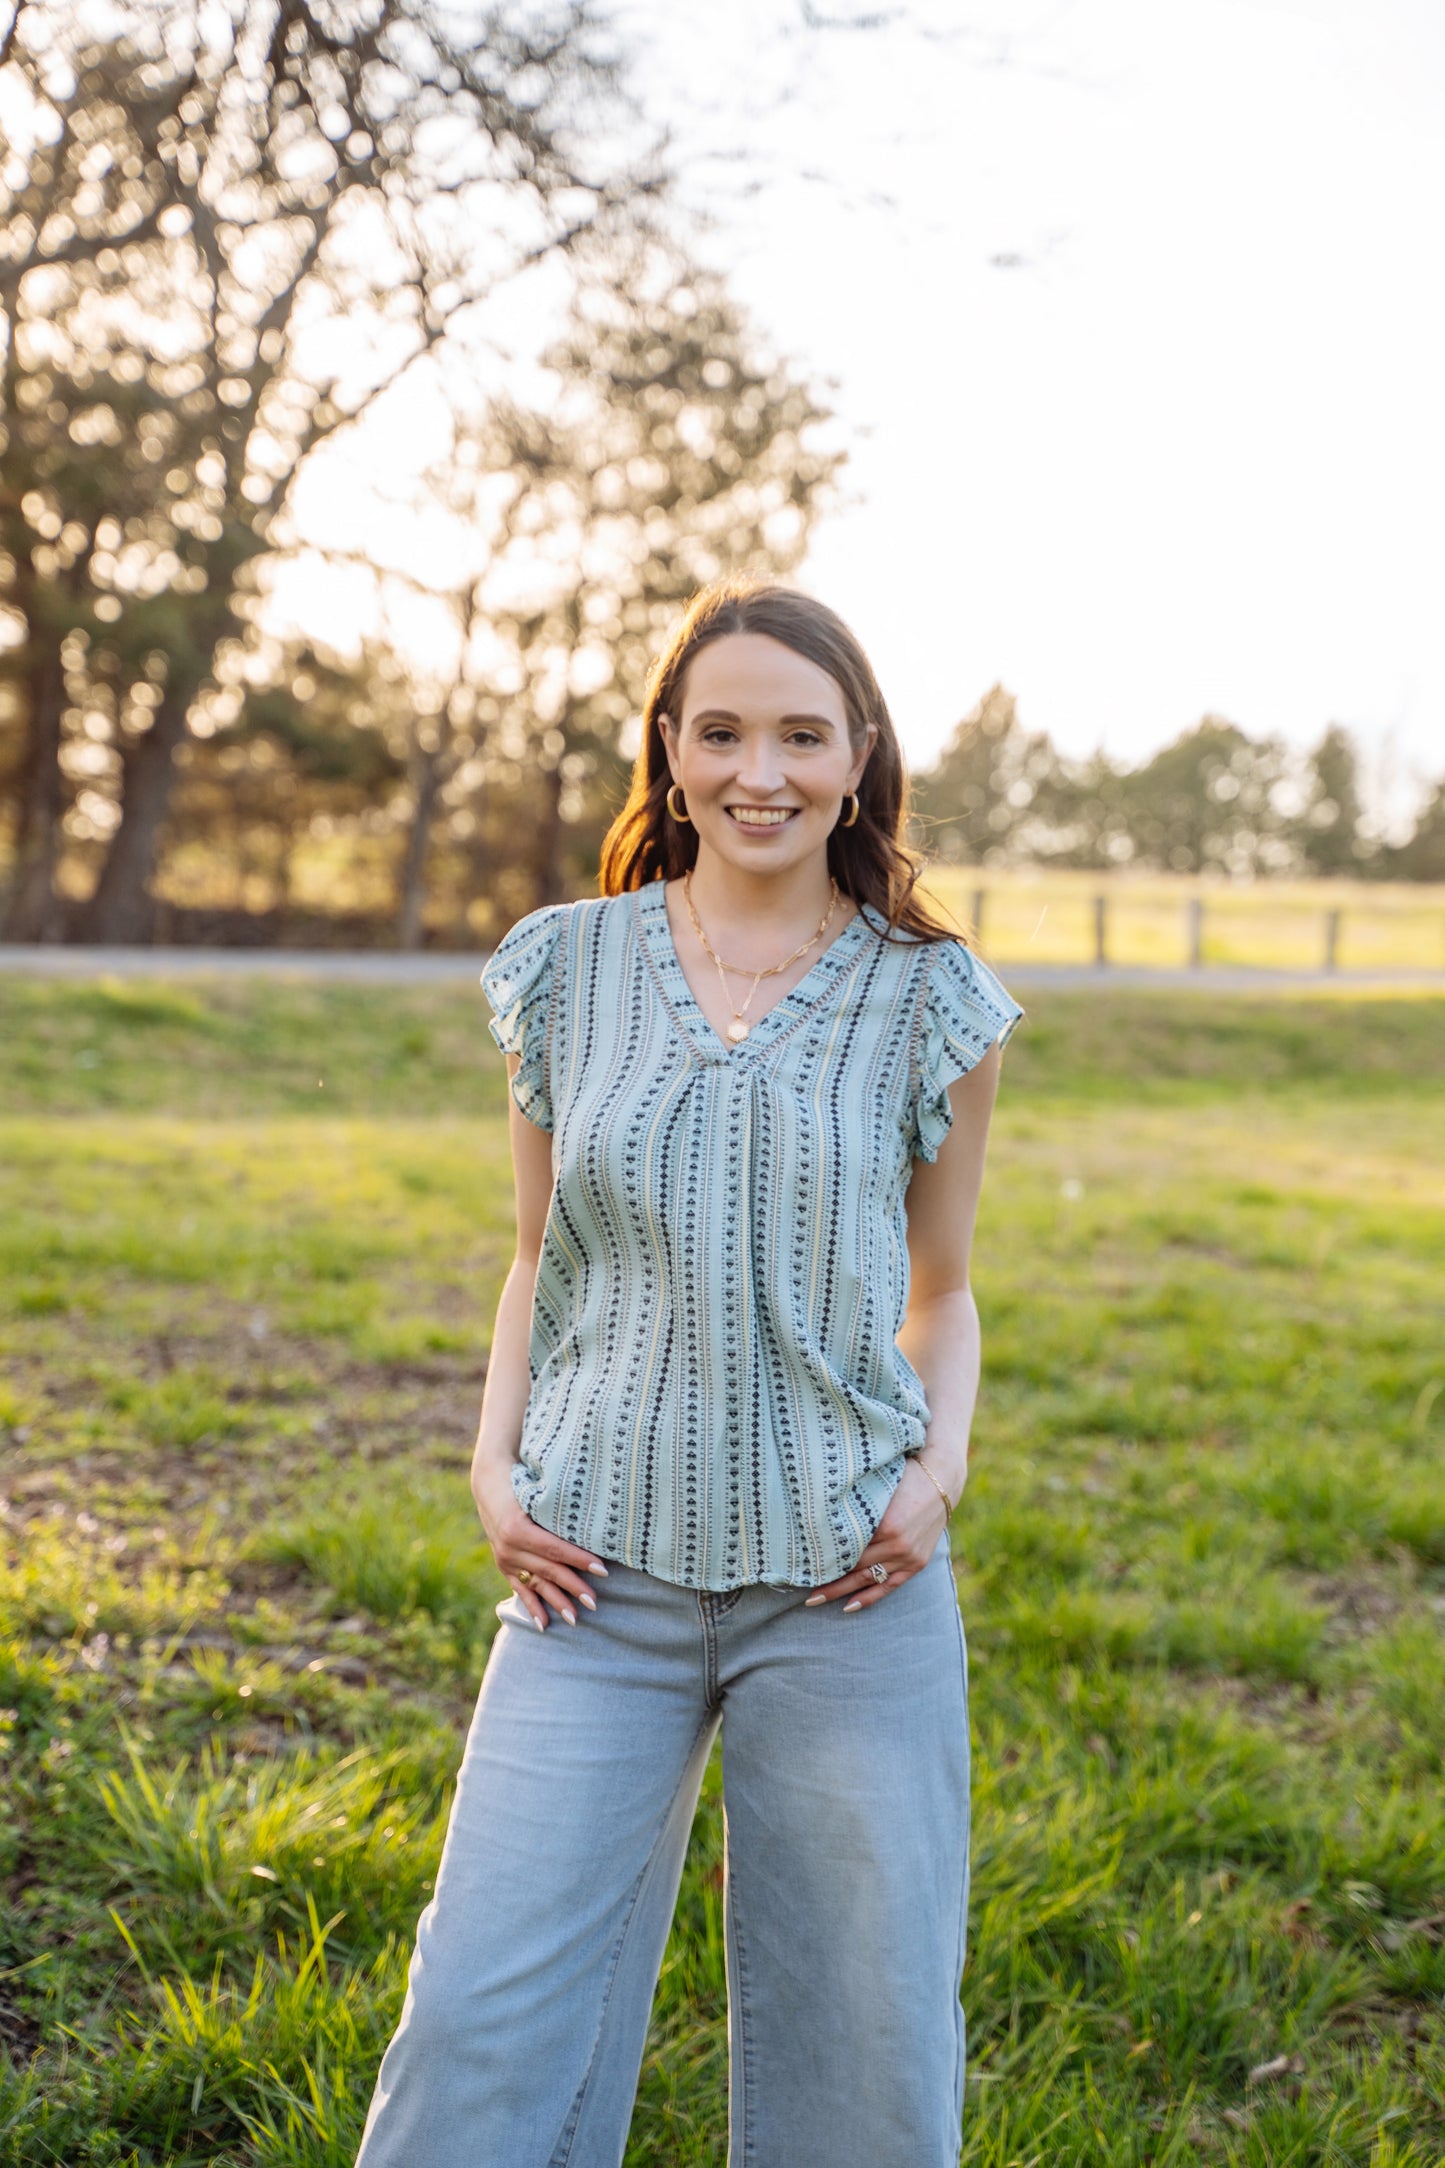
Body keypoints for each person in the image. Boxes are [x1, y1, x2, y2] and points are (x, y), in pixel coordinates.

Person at [354, 578, 1023, 2168]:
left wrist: (937, 1475)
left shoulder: (934, 1003)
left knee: (863, 2052)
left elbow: (943, 1289)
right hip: (590, 1572)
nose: (760, 772)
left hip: (846, 1582)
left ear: (859, 755)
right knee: (479, 2023)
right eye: (720, 733)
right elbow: (536, 1254)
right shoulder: (562, 972)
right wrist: (489, 1464)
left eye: (801, 734)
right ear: (667, 750)